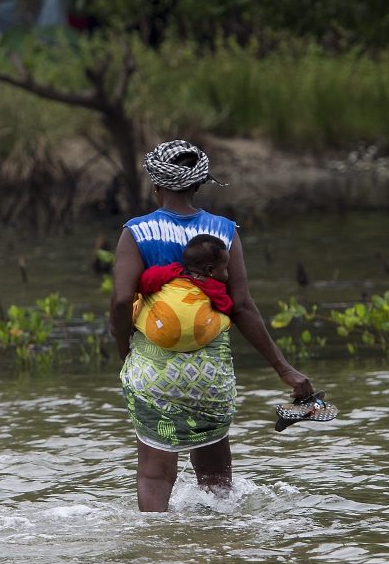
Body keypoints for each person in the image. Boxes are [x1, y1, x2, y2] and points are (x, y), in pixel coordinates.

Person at [110, 139, 313, 512]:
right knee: (216, 470)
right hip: (210, 373)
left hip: (154, 370)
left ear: (156, 183)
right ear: (198, 183)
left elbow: (122, 301)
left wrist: (125, 354)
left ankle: (154, 551)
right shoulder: (223, 230)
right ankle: (219, 545)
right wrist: (284, 369)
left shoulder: (136, 231)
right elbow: (243, 307)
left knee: (155, 473)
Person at [134, 233, 233, 352]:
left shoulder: (170, 271)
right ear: (210, 270)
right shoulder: (215, 286)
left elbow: (144, 281)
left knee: (139, 299)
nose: (227, 272)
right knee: (226, 320)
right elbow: (226, 307)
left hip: (159, 333)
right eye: (225, 268)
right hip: (197, 338)